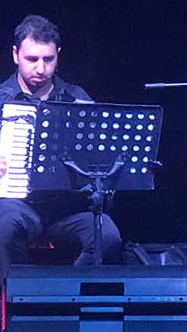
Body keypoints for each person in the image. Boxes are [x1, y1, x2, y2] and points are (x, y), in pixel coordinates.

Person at [0, 15, 121, 279]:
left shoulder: (76, 99)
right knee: (4, 227)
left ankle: (66, 291)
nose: (40, 68)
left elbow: (103, 157)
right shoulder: (1, 99)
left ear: (58, 56)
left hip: (67, 207)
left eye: (48, 59)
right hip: (16, 205)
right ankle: (20, 295)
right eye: (32, 59)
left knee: (108, 236)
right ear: (15, 55)